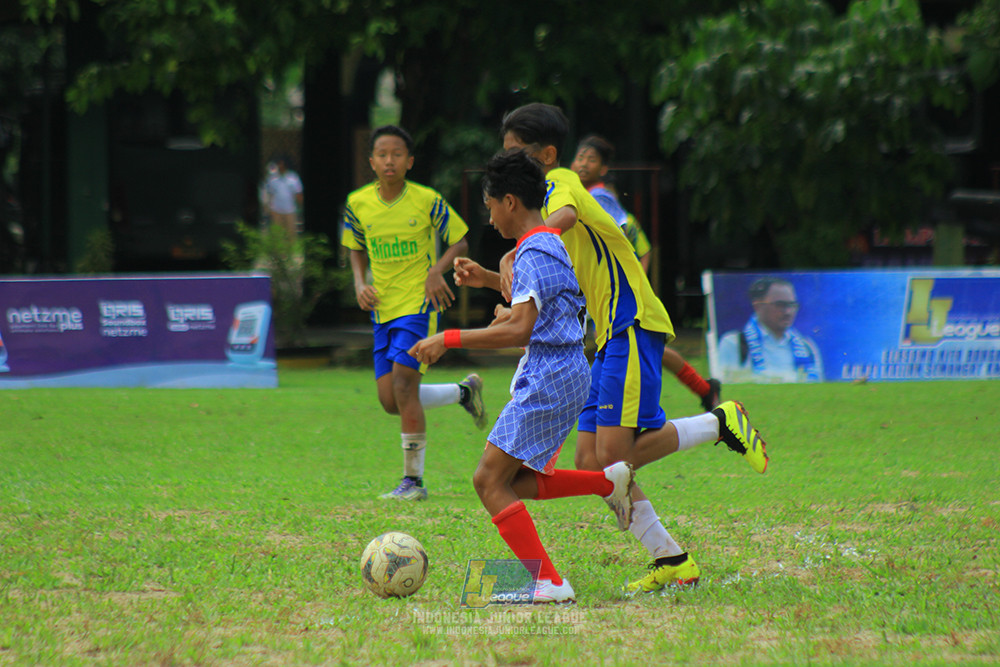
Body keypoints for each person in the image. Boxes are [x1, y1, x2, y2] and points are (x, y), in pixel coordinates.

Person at [455, 103, 769, 595]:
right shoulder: (541, 209)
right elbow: (544, 289)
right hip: (601, 332)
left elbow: (563, 213)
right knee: (590, 459)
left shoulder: (560, 181)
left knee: (616, 455)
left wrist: (518, 244)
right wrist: (495, 278)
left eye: (515, 151)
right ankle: (672, 558)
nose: (508, 160)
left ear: (546, 155)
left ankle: (718, 422)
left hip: (631, 318)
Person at [409, 149, 635, 604]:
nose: (489, 218)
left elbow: (521, 326)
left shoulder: (534, 248)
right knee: (516, 481)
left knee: (487, 481)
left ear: (510, 201)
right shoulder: (546, 243)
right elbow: (537, 307)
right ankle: (607, 482)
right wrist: (490, 282)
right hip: (564, 371)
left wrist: (446, 339)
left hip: (550, 377)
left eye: (490, 205)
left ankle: (549, 583)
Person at [342, 125, 488, 502]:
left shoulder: (426, 200)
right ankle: (462, 393)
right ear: (371, 161)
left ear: (409, 161)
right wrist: (360, 283)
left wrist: (436, 270)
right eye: (382, 154)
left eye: (397, 154)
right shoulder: (357, 203)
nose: (389, 160)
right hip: (382, 310)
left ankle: (413, 483)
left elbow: (460, 240)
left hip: (418, 307)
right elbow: (354, 247)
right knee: (390, 400)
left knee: (404, 386)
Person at [571, 134, 722, 413]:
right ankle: (704, 388)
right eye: (580, 157)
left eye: (591, 159)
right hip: (607, 292)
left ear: (603, 169)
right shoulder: (588, 199)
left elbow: (633, 242)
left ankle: (592, 410)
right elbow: (641, 245)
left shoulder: (599, 198)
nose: (582, 164)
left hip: (616, 294)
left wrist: (631, 284)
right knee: (646, 350)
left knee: (615, 350)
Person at [718, 276, 823, 383]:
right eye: (780, 305)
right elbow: (727, 385)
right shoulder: (734, 343)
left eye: (792, 305)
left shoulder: (807, 347)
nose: (788, 312)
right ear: (758, 306)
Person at [265, 156, 304, 245]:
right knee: (277, 234)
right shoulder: (272, 178)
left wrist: (300, 207)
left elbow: (298, 193)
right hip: (276, 210)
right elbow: (269, 193)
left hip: (290, 210)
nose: (279, 166)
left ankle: (290, 253)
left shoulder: (293, 178)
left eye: (280, 164)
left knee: (291, 233)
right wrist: (268, 207)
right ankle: (278, 254)